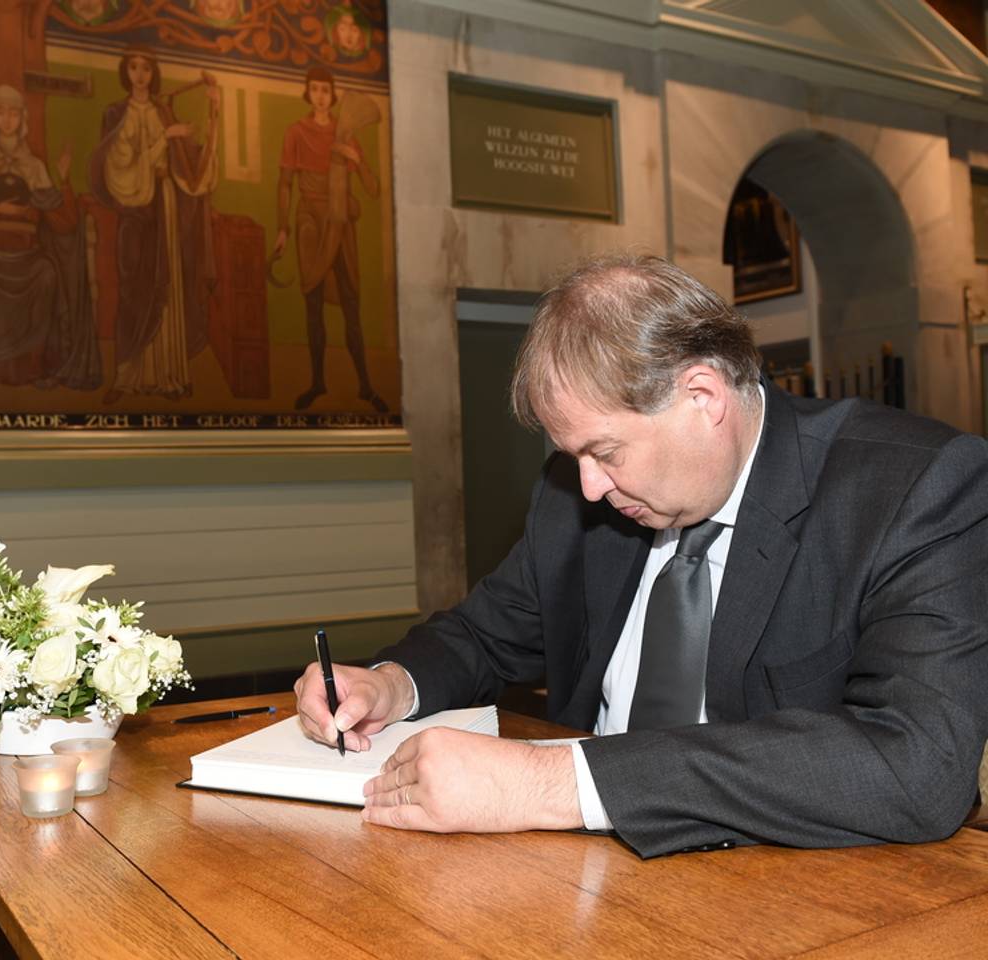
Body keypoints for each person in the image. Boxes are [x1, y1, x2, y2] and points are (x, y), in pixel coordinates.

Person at [294, 253, 988, 858]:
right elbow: (482, 633)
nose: (590, 487)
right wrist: (389, 683)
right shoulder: (575, 496)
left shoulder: (914, 490)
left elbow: (919, 764)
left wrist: (556, 784)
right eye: (574, 457)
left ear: (702, 397)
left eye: (605, 452)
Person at [0, 85, 100, 391]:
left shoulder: (35, 166)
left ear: (23, 118)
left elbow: (63, 223)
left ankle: (34, 364)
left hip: (29, 258)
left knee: (47, 276)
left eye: (13, 113)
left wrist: (61, 184)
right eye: (0, 112)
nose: (7, 120)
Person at [89, 48, 220, 404]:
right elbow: (118, 168)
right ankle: (126, 376)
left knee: (168, 286)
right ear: (125, 71)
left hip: (165, 205)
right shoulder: (115, 113)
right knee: (134, 287)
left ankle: (169, 375)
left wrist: (213, 109)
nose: (140, 75)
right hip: (135, 210)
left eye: (147, 68)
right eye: (134, 67)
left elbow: (191, 167)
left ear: (154, 73)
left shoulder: (165, 111)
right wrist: (167, 136)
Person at [273, 67, 387, 413]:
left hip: (341, 221)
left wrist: (356, 159)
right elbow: (284, 184)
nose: (321, 95)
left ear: (332, 94)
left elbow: (372, 188)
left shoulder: (345, 133)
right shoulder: (296, 131)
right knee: (313, 304)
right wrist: (282, 228)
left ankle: (366, 386)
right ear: (308, 93)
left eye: (326, 89)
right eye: (315, 89)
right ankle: (317, 382)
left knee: (352, 304)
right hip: (310, 220)